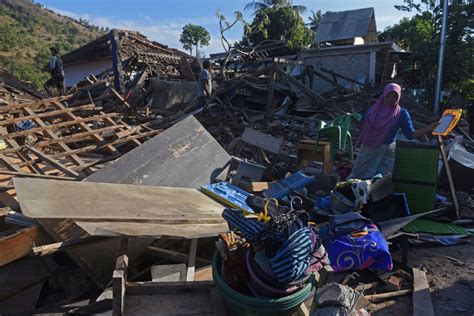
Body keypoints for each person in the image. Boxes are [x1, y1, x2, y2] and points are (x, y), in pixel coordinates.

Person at [348, 83, 437, 180]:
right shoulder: (373, 110)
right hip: (368, 149)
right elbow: (361, 125)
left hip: (387, 151)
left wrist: (429, 128)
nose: (391, 99)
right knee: (357, 176)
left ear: (398, 98)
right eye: (388, 96)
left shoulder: (401, 114)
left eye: (394, 97)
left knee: (381, 180)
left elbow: (410, 135)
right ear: (384, 96)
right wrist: (351, 118)